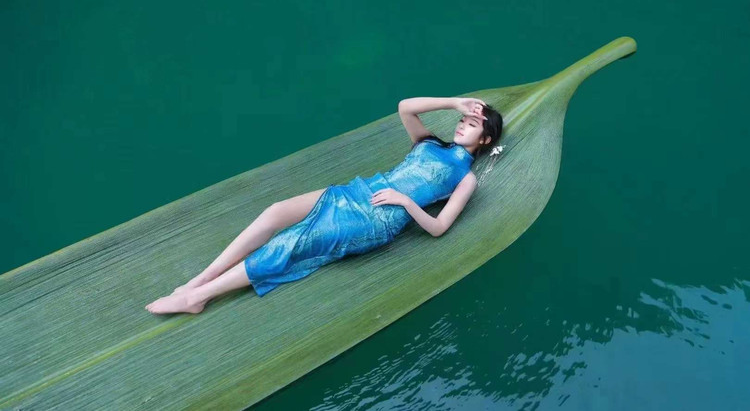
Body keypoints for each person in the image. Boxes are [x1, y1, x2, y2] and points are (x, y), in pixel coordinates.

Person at [145, 97, 503, 314]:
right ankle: (201, 278)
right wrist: (453, 103)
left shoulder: (465, 178)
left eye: (471, 125)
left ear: (485, 139)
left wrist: (405, 201)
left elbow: (439, 228)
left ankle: (199, 297)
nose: (462, 126)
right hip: (356, 191)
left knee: (291, 242)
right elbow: (405, 107)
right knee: (275, 212)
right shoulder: (428, 143)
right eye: (462, 120)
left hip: (377, 218)